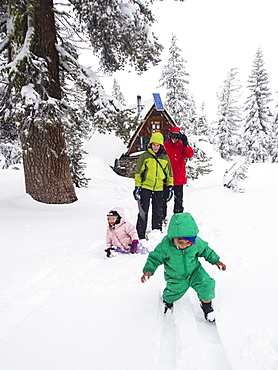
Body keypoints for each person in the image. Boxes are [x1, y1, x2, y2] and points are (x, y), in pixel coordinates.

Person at [141, 212, 226, 322]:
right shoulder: (166, 246)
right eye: (180, 241)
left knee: (207, 284)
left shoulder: (196, 243)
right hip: (176, 276)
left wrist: (216, 261)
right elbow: (155, 258)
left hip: (195, 271)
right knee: (173, 292)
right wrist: (148, 270)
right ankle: (168, 301)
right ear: (172, 237)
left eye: (189, 242)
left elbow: (206, 251)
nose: (184, 245)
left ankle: (206, 305)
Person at [133, 132, 173, 240]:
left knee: (158, 211)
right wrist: (137, 187)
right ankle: (140, 234)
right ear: (150, 144)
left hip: (159, 188)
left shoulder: (165, 158)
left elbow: (169, 174)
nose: (155, 147)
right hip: (146, 186)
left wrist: (170, 187)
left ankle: (156, 231)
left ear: (161, 146)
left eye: (157, 145)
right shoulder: (144, 156)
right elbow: (138, 173)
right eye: (153, 144)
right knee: (143, 211)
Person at [163, 126, 194, 222]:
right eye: (172, 136)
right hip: (166, 177)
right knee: (163, 198)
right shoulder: (165, 145)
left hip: (178, 177)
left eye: (176, 136)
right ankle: (162, 217)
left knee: (178, 199)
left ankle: (178, 217)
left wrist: (186, 145)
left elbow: (189, 154)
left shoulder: (181, 146)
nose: (174, 138)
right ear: (169, 135)